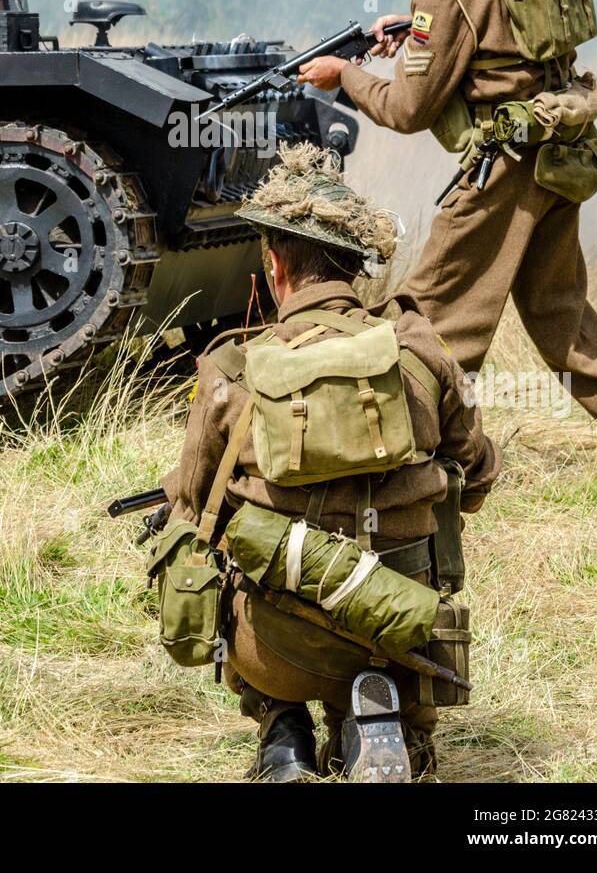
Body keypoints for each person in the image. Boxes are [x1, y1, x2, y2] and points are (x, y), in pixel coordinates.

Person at [161, 142, 500, 782]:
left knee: (215, 547)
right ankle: (390, 722)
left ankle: (282, 731)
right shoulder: (418, 352)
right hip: (405, 633)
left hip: (276, 648)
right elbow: (478, 476)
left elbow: (190, 510)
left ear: (275, 267)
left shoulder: (231, 370)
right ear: (357, 269)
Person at [297, 0, 597, 441]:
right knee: (562, 322)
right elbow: (503, 46)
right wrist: (415, 32)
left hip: (502, 174)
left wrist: (345, 76)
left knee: (423, 318)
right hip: (555, 159)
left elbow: (408, 110)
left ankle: (412, 457)